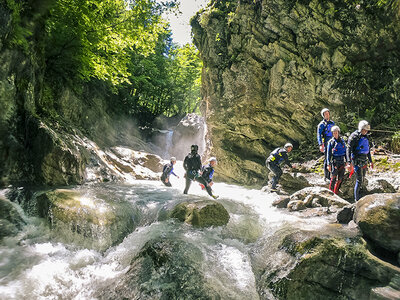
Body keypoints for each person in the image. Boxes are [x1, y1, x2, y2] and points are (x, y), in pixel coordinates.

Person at [347, 120, 373, 201]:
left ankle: (361, 195)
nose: (365, 132)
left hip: (364, 159)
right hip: (356, 159)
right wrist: (349, 162)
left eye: (366, 130)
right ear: (360, 128)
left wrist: (371, 161)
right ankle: (356, 199)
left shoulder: (366, 137)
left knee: (363, 178)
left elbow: (367, 150)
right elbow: (348, 149)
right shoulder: (354, 136)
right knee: (359, 179)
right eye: (364, 130)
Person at [326, 126, 348, 195]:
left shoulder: (342, 141)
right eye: (334, 133)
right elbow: (328, 154)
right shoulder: (331, 142)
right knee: (333, 177)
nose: (335, 134)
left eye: (336, 133)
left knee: (340, 178)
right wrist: (328, 164)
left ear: (338, 132)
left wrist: (348, 161)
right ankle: (331, 192)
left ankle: (336, 192)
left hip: (342, 161)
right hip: (335, 161)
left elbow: (346, 152)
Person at [317, 108, 335, 181]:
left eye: (328, 113)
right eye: (325, 114)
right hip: (326, 142)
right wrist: (320, 144)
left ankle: (333, 175)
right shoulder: (321, 124)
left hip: (333, 141)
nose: (327, 115)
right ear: (323, 115)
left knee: (334, 158)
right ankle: (326, 176)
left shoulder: (332, 123)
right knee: (327, 158)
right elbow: (319, 135)